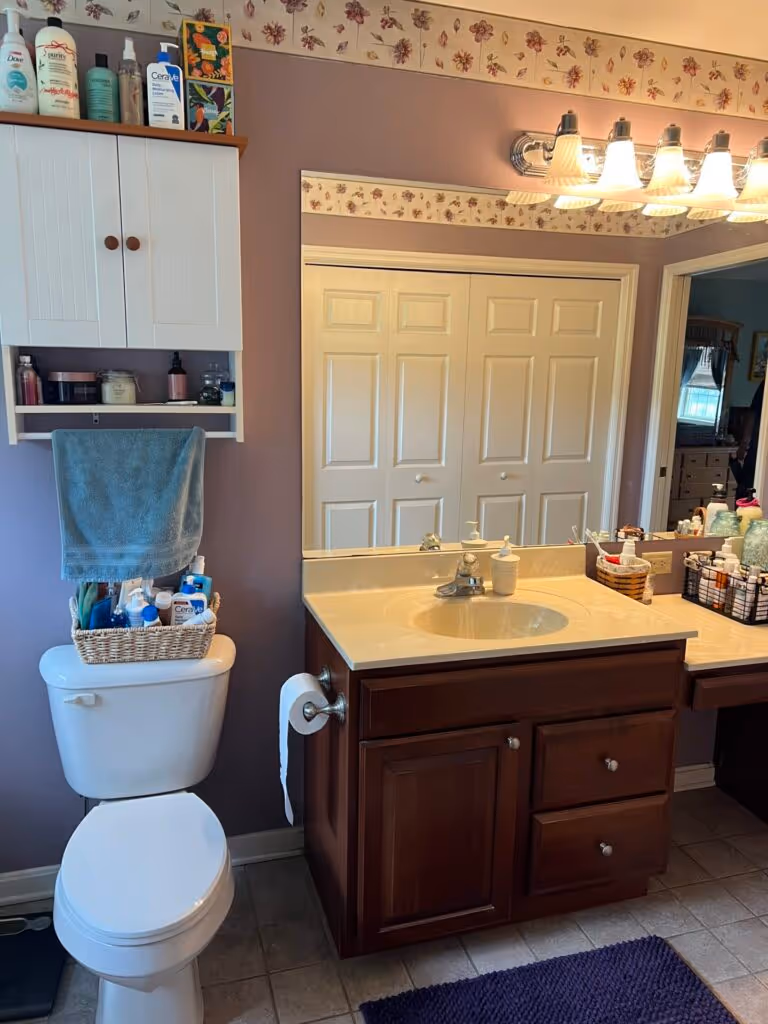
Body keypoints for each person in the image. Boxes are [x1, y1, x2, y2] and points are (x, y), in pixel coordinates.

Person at [731, 379, 764, 499]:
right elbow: (753, 414)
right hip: (758, 447)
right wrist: (744, 445)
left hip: (758, 450)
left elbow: (752, 414)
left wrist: (744, 445)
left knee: (746, 491)